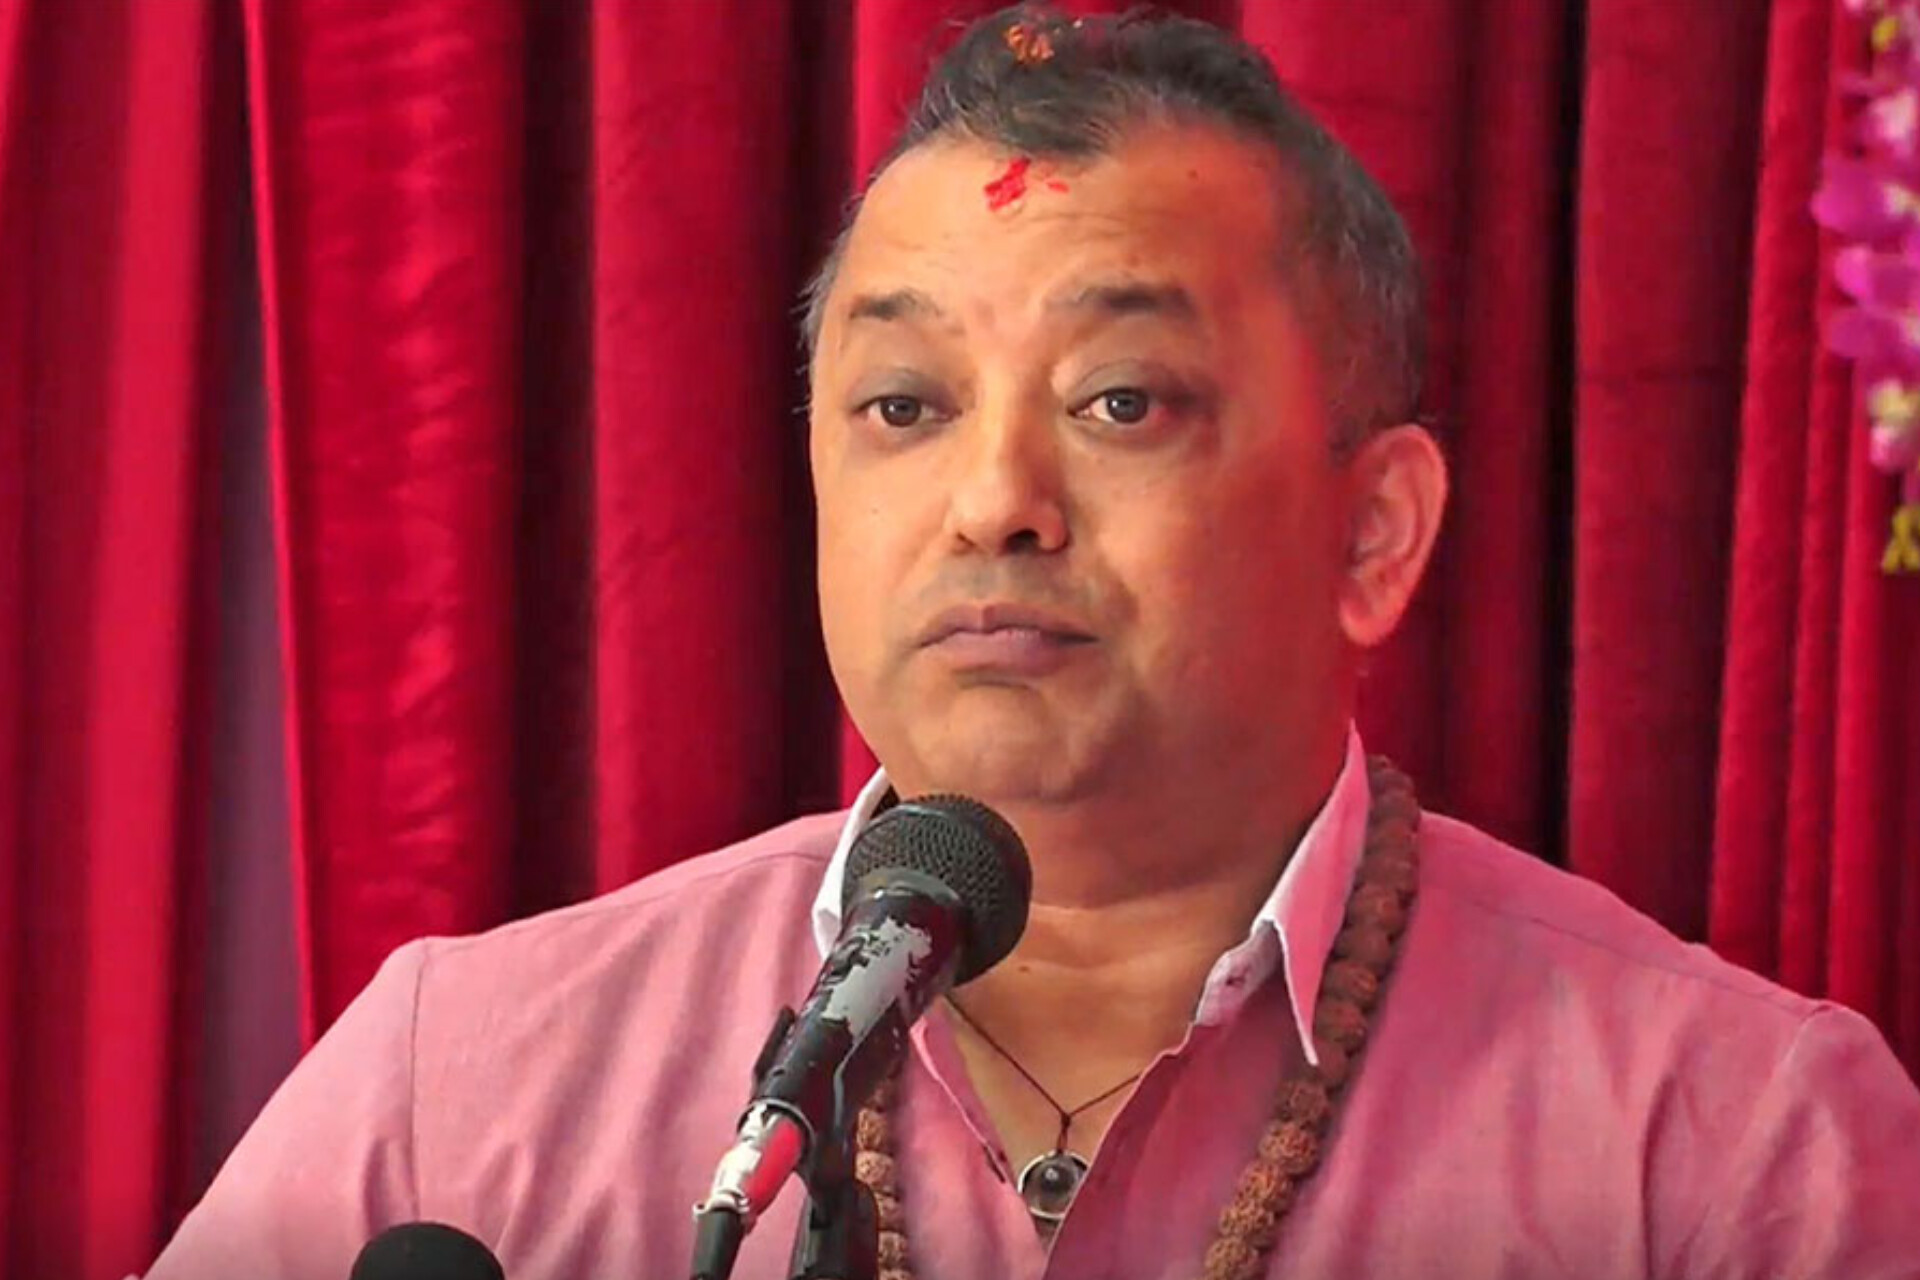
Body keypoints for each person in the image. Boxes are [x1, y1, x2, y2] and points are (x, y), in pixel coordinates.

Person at [148, 6, 1920, 1279]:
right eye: (904, 406)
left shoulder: (1734, 1150)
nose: (994, 501)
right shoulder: (462, 1089)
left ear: (1373, 533)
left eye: (1121, 400)